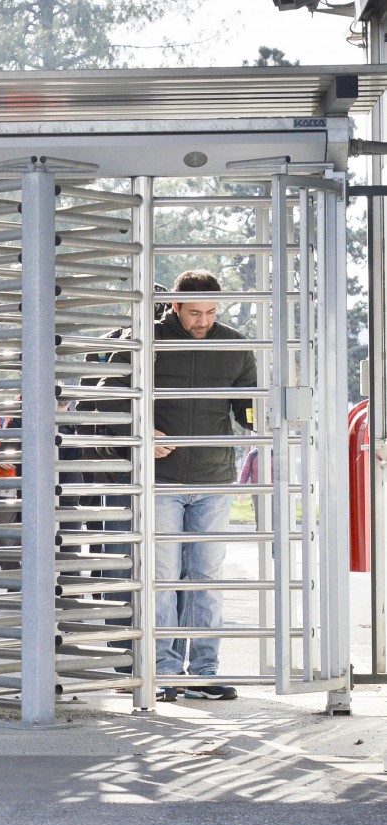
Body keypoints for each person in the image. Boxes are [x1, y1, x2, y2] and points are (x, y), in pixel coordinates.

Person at [144, 270, 256, 702]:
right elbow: (116, 395)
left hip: (213, 478)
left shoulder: (235, 345)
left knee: (206, 578)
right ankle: (165, 671)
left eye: (210, 311)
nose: (203, 321)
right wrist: (145, 430)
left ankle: (205, 671)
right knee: (163, 577)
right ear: (175, 306)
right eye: (194, 312)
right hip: (162, 480)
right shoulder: (148, 342)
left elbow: (251, 409)